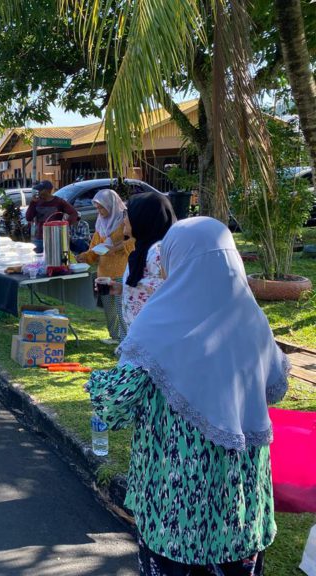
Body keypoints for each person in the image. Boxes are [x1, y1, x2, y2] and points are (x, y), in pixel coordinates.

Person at [86, 217, 289, 575]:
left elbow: (115, 402)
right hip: (240, 498)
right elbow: (276, 387)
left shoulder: (159, 321)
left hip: (176, 498)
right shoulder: (252, 319)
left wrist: (96, 383)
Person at [106, 192, 176, 331]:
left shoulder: (159, 252)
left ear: (144, 217)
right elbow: (148, 286)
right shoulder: (143, 249)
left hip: (155, 333)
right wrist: (122, 288)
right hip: (141, 332)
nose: (124, 219)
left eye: (128, 214)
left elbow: (170, 292)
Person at [76, 189, 133, 344]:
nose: (99, 211)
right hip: (103, 273)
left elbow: (134, 242)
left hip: (121, 270)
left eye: (102, 207)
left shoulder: (125, 221)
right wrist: (84, 257)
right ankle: (115, 336)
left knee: (122, 308)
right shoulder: (100, 224)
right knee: (109, 309)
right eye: (97, 208)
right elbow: (94, 248)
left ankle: (125, 340)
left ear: (111, 205)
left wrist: (118, 247)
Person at [24, 180, 79, 253]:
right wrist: (32, 203)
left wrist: (64, 225)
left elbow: (74, 213)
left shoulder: (59, 202)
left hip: (55, 238)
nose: (39, 192)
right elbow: (28, 218)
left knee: (57, 257)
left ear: (48, 190)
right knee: (38, 258)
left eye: (41, 190)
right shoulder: (36, 202)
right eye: (38, 190)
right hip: (40, 238)